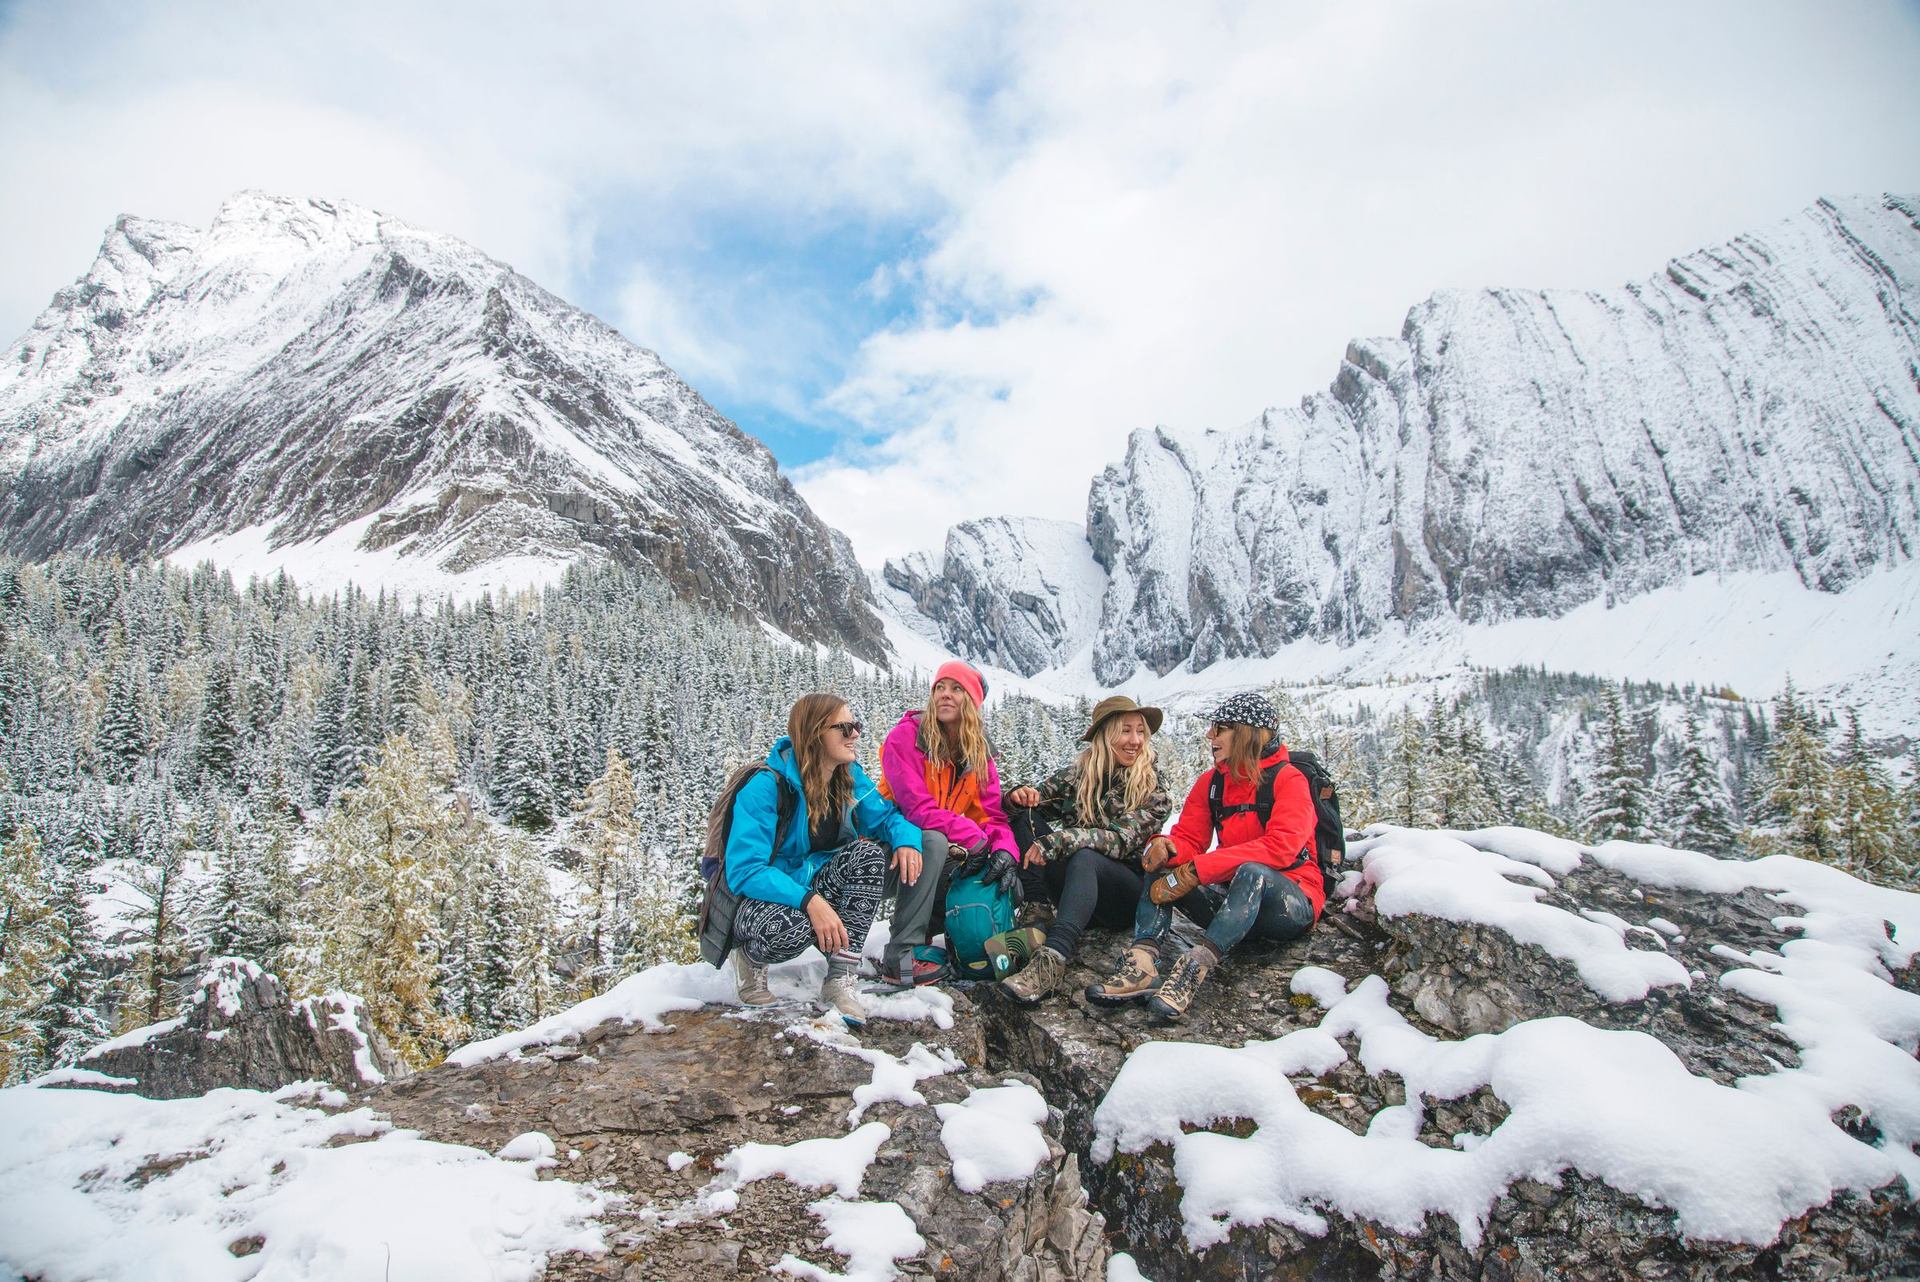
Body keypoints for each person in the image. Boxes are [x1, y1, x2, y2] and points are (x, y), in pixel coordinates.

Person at [1086, 692, 1323, 1021]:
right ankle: (1141, 964)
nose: (1209, 736)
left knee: (1252, 872)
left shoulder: (1289, 780)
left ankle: (1194, 967)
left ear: (1247, 734)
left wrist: (1200, 868)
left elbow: (1281, 848)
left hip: (1287, 904)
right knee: (1165, 869)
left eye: (1219, 728)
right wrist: (1166, 847)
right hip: (1231, 904)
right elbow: (1190, 839)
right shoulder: (1212, 783)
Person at [725, 691, 922, 1028]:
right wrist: (809, 900)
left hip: (813, 887)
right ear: (816, 734)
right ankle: (749, 957)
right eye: (844, 728)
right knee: (791, 929)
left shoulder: (848, 777)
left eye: (855, 725)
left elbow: (886, 818)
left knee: (869, 855)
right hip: (759, 899)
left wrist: (907, 841)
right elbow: (745, 871)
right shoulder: (765, 787)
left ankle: (840, 977)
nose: (856, 734)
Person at [999, 696, 1172, 1004]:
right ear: (1105, 735)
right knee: (1024, 814)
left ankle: (1052, 960)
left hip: (1121, 897)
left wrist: (1060, 840)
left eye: (1141, 732)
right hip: (1077, 889)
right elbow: (1035, 802)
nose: (1136, 741)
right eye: (1126, 731)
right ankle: (1038, 908)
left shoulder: (1153, 788)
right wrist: (1017, 796)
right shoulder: (1079, 775)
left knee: (1086, 856)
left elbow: (1120, 841)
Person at [877, 660, 1021, 985]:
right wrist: (973, 838)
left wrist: (1004, 851)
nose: (945, 694)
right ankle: (900, 957)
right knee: (934, 842)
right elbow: (916, 809)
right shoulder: (906, 739)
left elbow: (993, 817)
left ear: (971, 702)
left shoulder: (978, 757)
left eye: (956, 689)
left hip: (929, 860)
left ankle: (963, 945)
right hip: (883, 851)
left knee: (1002, 873)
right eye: (940, 687)